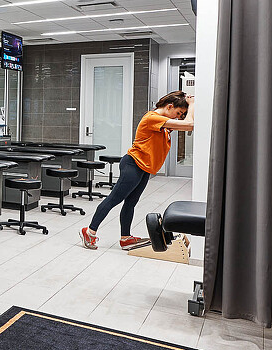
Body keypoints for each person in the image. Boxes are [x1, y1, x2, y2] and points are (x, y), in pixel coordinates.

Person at [80, 90, 195, 250]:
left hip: (144, 167)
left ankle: (125, 238)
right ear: (169, 106)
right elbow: (189, 125)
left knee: (131, 203)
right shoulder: (152, 118)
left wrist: (189, 106)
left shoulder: (164, 123)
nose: (178, 117)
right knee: (114, 199)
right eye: (178, 113)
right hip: (133, 164)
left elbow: (187, 125)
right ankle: (89, 232)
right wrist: (192, 104)